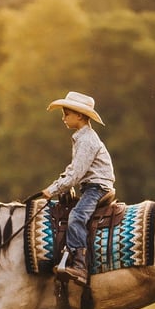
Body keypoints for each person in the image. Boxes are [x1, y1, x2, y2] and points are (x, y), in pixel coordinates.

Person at [42, 91, 115, 286]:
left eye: (66, 114)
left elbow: (75, 174)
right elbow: (74, 170)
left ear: (80, 116)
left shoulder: (87, 140)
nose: (63, 118)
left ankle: (80, 266)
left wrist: (52, 190)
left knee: (76, 217)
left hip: (96, 187)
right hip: (89, 186)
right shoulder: (81, 138)